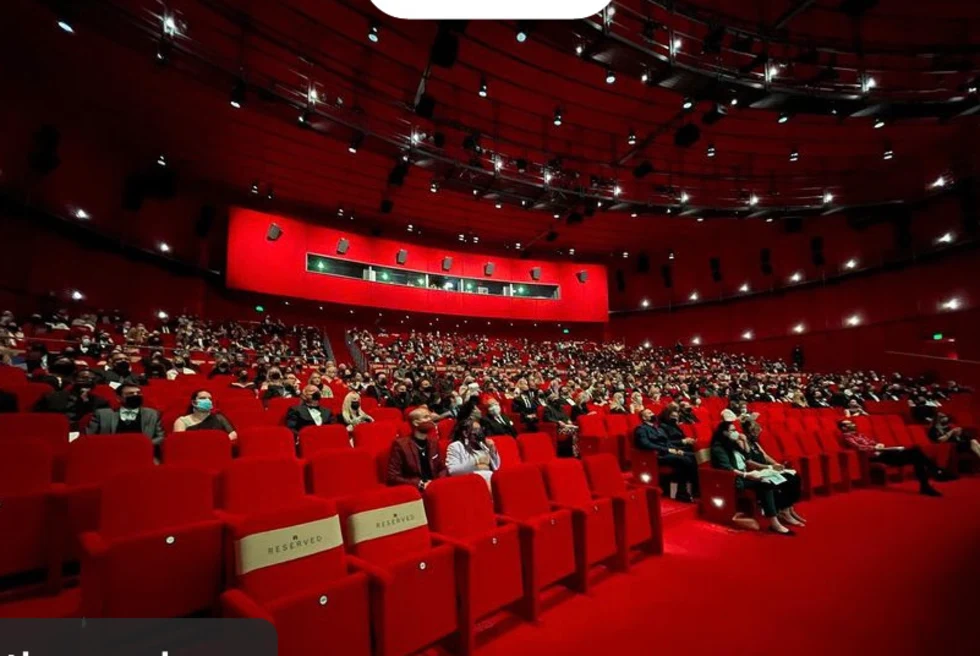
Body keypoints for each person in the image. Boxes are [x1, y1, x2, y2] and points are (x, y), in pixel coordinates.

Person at [709, 420, 796, 535]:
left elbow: (747, 456)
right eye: (733, 430)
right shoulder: (719, 448)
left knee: (781, 478)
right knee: (765, 484)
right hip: (736, 479)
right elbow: (728, 469)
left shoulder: (732, 443)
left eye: (736, 430)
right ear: (724, 433)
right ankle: (775, 523)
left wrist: (744, 441)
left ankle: (784, 512)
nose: (736, 432)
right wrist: (746, 475)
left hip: (747, 474)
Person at [839, 418, 944, 496]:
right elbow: (859, 447)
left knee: (917, 455)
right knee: (916, 454)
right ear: (843, 428)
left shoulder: (860, 434)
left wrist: (878, 445)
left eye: (852, 423)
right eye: (849, 424)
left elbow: (874, 442)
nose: (853, 424)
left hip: (883, 452)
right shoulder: (847, 437)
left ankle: (927, 483)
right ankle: (935, 473)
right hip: (877, 456)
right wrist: (876, 447)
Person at [742, 419, 806, 527]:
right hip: (759, 472)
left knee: (794, 476)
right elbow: (749, 463)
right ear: (747, 432)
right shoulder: (744, 444)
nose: (756, 434)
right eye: (754, 432)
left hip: (768, 469)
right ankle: (784, 511)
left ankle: (789, 508)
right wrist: (770, 467)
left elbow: (765, 456)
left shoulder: (755, 443)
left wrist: (777, 465)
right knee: (787, 481)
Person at [633, 408, 699, 502]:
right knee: (684, 460)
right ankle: (682, 492)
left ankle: (694, 489)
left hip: (668, 452)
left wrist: (677, 450)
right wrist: (668, 450)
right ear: (644, 418)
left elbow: (668, 442)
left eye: (652, 412)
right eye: (649, 413)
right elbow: (646, 444)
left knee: (694, 456)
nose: (652, 414)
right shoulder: (641, 429)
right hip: (658, 455)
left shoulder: (659, 429)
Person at [386, 407, 447, 490]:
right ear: (415, 423)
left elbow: (442, 469)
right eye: (426, 417)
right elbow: (392, 476)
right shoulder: (401, 445)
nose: (430, 419)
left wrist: (436, 483)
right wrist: (419, 484)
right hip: (414, 489)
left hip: (435, 487)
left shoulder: (434, 443)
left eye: (430, 416)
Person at [86, 382, 165, 444]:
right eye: (130, 394)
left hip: (141, 452)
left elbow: (161, 437)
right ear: (119, 398)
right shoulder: (102, 414)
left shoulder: (152, 414)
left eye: (138, 393)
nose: (135, 395)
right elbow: (89, 437)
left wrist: (144, 444)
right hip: (110, 451)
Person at [34, 368, 109, 431]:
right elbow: (39, 418)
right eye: (84, 378)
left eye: (92, 379)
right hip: (55, 430)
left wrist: (86, 402)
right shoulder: (52, 397)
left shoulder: (100, 402)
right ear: (74, 380)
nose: (89, 381)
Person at [446, 417, 501, 487]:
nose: (479, 433)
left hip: (489, 478)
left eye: (480, 429)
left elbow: (496, 467)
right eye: (475, 430)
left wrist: (492, 449)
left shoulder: (481, 444)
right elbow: (452, 470)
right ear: (465, 433)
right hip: (472, 482)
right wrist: (476, 465)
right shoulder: (455, 446)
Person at [172, 389, 237, 440]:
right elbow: (179, 442)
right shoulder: (182, 421)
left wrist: (218, 442)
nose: (207, 401)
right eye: (203, 398)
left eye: (210, 399)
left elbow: (233, 434)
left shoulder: (219, 417)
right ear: (194, 402)